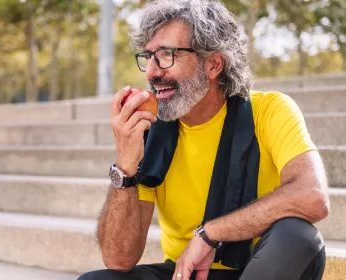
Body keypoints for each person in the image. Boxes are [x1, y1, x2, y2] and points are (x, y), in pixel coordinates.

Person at [79, 0, 330, 279]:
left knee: (297, 237)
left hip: (262, 269)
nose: (151, 71)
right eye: (148, 56)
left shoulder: (270, 111)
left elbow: (312, 196)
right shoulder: (149, 133)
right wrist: (125, 165)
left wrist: (210, 234)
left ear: (213, 64)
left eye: (166, 55)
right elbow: (118, 259)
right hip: (187, 273)